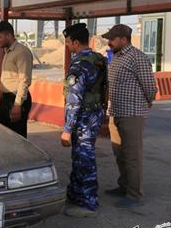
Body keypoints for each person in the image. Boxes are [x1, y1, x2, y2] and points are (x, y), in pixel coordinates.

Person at [103, 24, 157, 209]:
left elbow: (150, 86)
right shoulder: (116, 57)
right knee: (119, 153)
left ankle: (135, 195)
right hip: (116, 112)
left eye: (112, 39)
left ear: (124, 40)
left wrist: (148, 101)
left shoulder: (138, 57)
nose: (109, 42)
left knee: (132, 156)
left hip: (132, 114)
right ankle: (124, 186)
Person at [61, 23, 107, 218]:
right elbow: (105, 88)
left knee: (85, 159)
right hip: (95, 113)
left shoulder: (79, 65)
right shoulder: (99, 59)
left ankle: (88, 203)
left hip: (83, 118)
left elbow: (74, 99)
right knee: (80, 156)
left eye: (68, 42)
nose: (67, 46)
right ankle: (76, 195)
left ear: (76, 42)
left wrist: (67, 129)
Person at [0, 21, 33, 138]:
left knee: (17, 137)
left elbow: (24, 80)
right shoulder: (7, 52)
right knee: (3, 135)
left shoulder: (21, 52)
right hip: (7, 99)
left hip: (16, 99)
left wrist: (17, 105)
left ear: (8, 35)